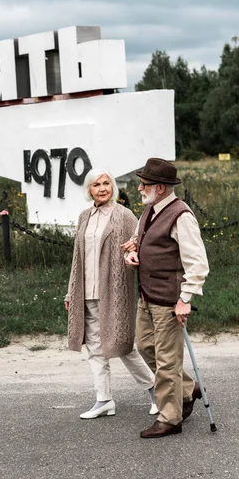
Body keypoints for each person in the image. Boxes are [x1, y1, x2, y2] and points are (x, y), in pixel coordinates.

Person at [124, 158, 209, 438]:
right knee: (146, 347)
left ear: (160, 187)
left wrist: (185, 299)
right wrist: (132, 252)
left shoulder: (181, 215)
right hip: (147, 295)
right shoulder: (150, 210)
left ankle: (170, 418)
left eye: (144, 184)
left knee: (167, 359)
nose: (139, 188)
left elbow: (197, 264)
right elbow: (138, 239)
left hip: (169, 302)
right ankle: (188, 388)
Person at [65, 167, 157, 419]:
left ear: (113, 187)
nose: (102, 188)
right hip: (87, 291)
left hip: (115, 292)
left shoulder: (124, 215)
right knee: (94, 348)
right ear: (89, 190)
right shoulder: (84, 216)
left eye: (106, 183)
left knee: (123, 345)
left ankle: (154, 390)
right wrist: (71, 292)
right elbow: (77, 258)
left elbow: (138, 246)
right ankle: (104, 399)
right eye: (96, 185)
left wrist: (132, 256)